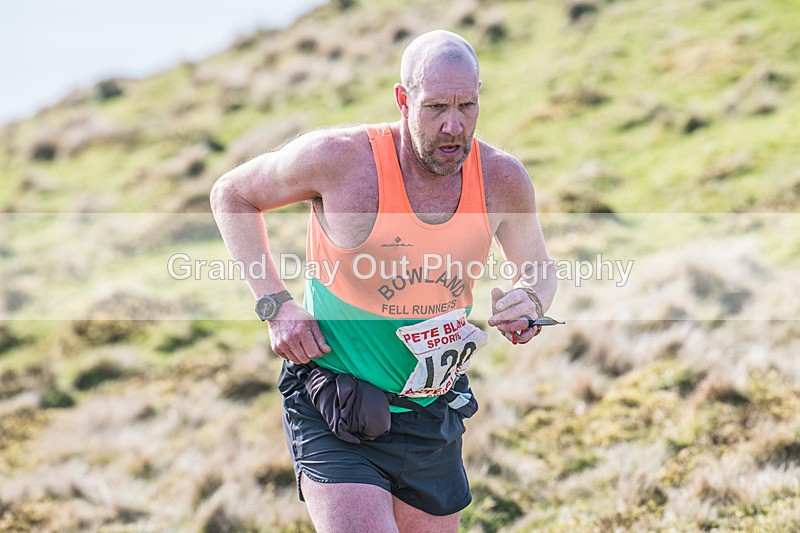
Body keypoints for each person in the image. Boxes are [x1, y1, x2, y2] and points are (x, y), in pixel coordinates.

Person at [211, 29, 556, 533]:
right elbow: (231, 195)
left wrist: (529, 300)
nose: (453, 125)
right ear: (403, 99)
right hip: (338, 401)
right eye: (436, 107)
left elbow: (539, 268)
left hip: (431, 412)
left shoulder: (501, 178)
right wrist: (275, 304)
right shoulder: (340, 160)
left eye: (467, 105)